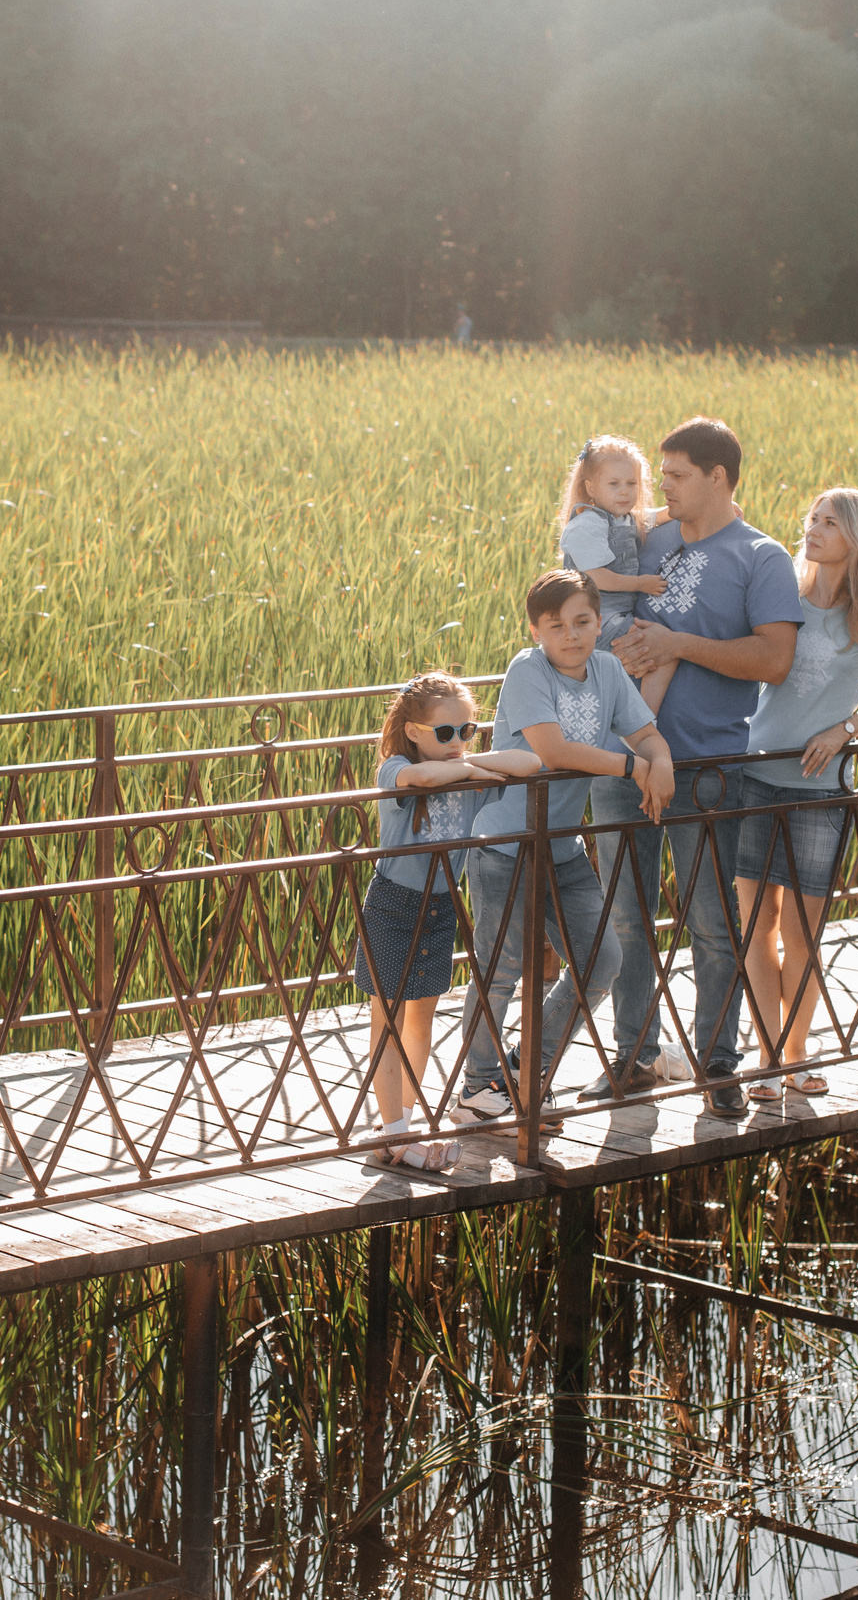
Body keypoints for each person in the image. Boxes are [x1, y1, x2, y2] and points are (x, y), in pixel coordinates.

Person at [589, 417, 802, 1116]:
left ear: (719, 477)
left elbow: (774, 658)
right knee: (626, 920)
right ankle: (634, 1058)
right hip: (620, 763)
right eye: (662, 476)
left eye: (677, 476)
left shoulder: (761, 557)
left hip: (708, 767)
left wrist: (678, 643)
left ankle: (718, 1066)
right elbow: (595, 604)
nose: (664, 488)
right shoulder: (648, 540)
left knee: (713, 923)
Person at [454, 571, 673, 1127]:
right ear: (536, 631)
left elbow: (645, 732)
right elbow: (551, 750)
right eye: (556, 626)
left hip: (563, 846)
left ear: (599, 624)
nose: (571, 635)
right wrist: (631, 765)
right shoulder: (527, 670)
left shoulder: (607, 670)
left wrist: (661, 761)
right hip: (505, 842)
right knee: (501, 968)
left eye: (582, 622)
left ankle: (526, 1069)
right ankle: (478, 1088)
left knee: (601, 959)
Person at [734, 488, 858, 1102]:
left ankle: (797, 1052)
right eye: (812, 518)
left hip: (818, 788)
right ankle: (766, 1055)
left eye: (829, 522)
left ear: (857, 538)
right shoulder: (781, 597)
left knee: (804, 931)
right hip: (754, 774)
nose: (813, 528)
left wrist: (843, 730)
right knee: (757, 926)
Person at [355, 673, 538, 1168]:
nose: (458, 742)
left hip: (439, 909)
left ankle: (402, 1124)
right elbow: (421, 780)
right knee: (387, 1021)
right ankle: (394, 1134)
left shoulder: (467, 772)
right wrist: (470, 768)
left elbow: (529, 763)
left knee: (422, 1018)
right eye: (445, 733)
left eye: (468, 731)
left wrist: (468, 762)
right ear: (413, 732)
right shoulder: (395, 767)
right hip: (393, 906)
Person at [557, 435, 669, 655]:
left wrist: (719, 506)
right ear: (591, 488)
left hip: (618, 615)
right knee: (661, 647)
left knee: (661, 646)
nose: (624, 491)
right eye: (614, 484)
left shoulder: (625, 518)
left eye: (631, 483)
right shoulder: (588, 524)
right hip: (595, 621)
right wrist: (641, 584)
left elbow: (661, 515)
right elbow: (597, 577)